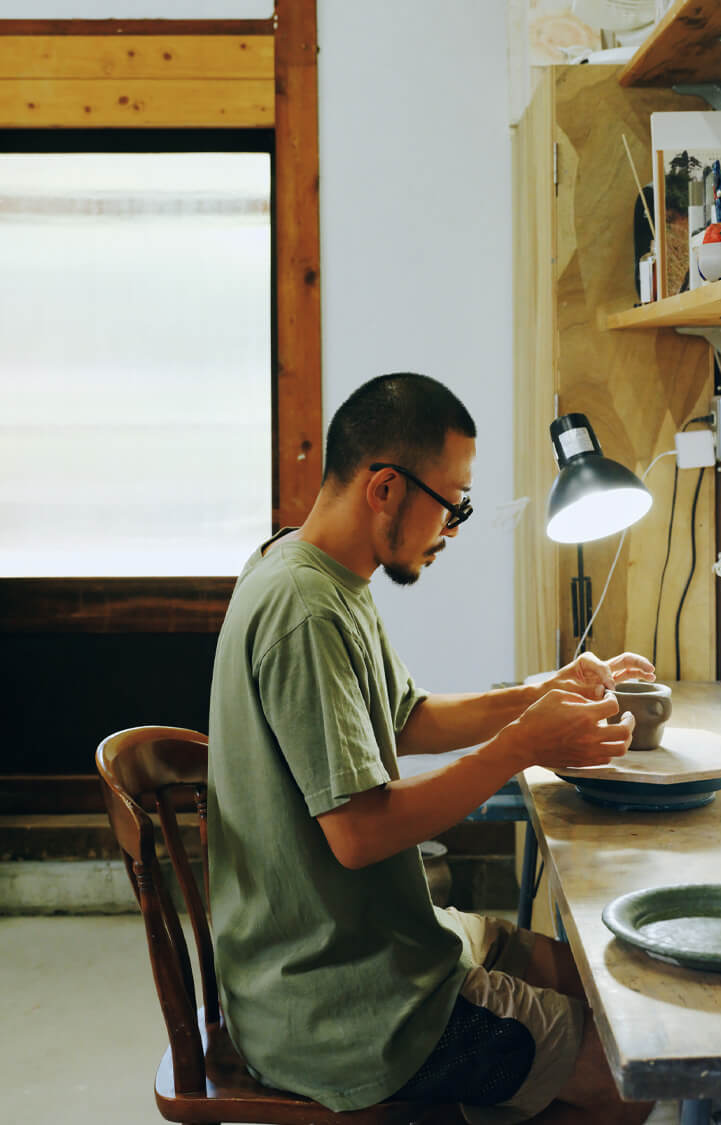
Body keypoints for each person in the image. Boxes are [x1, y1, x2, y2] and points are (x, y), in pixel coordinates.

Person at [208, 372, 656, 1122]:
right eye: (454, 505)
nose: (453, 528)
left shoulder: (320, 573)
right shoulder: (303, 610)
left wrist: (540, 693)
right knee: (628, 1073)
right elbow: (359, 832)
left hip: (379, 944)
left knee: (598, 982)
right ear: (386, 488)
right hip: (342, 1006)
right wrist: (520, 744)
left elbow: (405, 716)